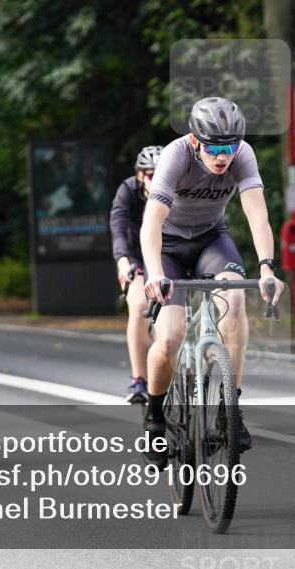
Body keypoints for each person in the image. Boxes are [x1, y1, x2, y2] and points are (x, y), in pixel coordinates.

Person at [140, 97, 285, 464]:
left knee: (235, 302)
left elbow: (257, 216)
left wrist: (267, 268)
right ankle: (155, 417)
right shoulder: (176, 155)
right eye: (215, 148)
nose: (223, 157)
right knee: (170, 337)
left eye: (230, 148)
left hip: (210, 240)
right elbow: (151, 224)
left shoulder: (243, 155)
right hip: (170, 248)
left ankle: (230, 408)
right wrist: (155, 272)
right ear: (194, 141)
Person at [109, 145, 163, 403]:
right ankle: (139, 379)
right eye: (151, 174)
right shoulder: (128, 190)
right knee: (140, 304)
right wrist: (122, 261)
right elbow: (118, 229)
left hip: (169, 255)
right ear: (140, 175)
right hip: (137, 257)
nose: (157, 180)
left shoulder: (176, 189)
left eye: (161, 174)